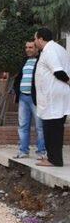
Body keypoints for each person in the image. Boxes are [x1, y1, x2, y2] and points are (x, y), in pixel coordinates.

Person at [33, 28, 70, 167]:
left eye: (35, 38)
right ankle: (52, 157)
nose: (35, 41)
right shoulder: (58, 48)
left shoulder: (50, 50)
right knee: (55, 129)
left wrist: (69, 81)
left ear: (41, 39)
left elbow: (58, 72)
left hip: (53, 97)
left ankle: (54, 160)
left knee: (52, 130)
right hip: (56, 96)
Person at [12, 40, 46, 159]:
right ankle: (23, 151)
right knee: (23, 126)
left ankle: (41, 152)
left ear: (37, 48)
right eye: (26, 47)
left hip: (35, 99)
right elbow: (19, 77)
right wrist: (16, 91)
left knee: (40, 127)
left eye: (31, 47)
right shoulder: (24, 61)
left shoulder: (41, 61)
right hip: (23, 98)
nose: (28, 49)